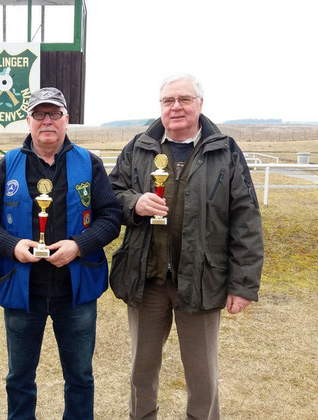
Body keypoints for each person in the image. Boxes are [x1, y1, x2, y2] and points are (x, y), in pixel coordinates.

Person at [108, 74, 264, 420]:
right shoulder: (139, 147)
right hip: (147, 277)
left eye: (184, 99)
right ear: (160, 107)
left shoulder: (225, 151)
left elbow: (246, 220)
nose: (175, 107)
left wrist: (243, 284)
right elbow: (110, 198)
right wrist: (134, 202)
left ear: (200, 104)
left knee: (202, 374)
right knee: (141, 369)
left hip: (203, 279)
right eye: (168, 101)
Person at [0, 87, 122, 419]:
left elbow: (111, 217)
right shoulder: (8, 164)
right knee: (19, 379)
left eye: (54, 114)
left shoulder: (90, 163)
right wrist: (12, 246)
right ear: (28, 121)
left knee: (80, 378)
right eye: (39, 114)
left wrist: (78, 246)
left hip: (76, 291)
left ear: (66, 120)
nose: (47, 121)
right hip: (23, 292)